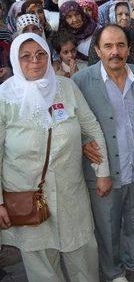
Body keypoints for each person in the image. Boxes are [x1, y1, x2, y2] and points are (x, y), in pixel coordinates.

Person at [0, 33, 110, 282]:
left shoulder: (66, 87)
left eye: (40, 54)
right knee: (41, 262)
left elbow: (91, 128)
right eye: (25, 57)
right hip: (27, 194)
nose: (35, 61)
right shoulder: (5, 97)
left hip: (70, 191)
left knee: (82, 252)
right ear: (15, 61)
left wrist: (102, 173)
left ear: (49, 56)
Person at [72, 25, 134, 282]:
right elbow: (71, 123)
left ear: (129, 49)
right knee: (108, 225)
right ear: (97, 50)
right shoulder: (81, 81)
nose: (115, 52)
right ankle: (113, 271)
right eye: (108, 46)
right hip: (104, 170)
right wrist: (80, 144)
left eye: (120, 45)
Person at [88, 2, 134, 67]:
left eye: (127, 14)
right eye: (120, 14)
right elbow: (93, 63)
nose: (124, 17)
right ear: (110, 15)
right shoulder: (100, 35)